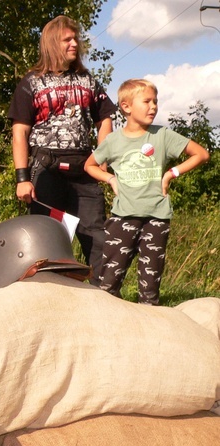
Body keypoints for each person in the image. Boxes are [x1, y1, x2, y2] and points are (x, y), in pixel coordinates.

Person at [8, 15, 117, 285]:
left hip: (84, 169)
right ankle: (49, 298)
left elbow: (105, 117)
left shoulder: (88, 80)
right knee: (50, 240)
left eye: (75, 38)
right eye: (67, 39)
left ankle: (104, 298)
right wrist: (22, 178)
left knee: (98, 238)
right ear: (51, 44)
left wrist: (102, 156)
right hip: (47, 169)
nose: (74, 43)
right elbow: (19, 131)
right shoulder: (31, 82)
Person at [84, 79, 209, 305]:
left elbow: (201, 154)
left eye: (156, 101)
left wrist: (171, 173)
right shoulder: (113, 141)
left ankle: (150, 331)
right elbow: (89, 165)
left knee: (150, 288)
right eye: (147, 101)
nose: (154, 106)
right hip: (123, 218)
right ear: (126, 107)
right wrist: (111, 178)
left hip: (156, 218)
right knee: (108, 283)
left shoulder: (162, 136)